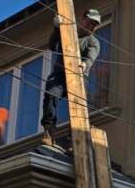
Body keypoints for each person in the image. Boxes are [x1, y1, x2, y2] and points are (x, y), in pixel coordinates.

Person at [40, 9, 102, 146]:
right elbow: (52, 46)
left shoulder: (92, 41)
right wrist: (57, 29)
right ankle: (49, 131)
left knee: (78, 107)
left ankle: (74, 138)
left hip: (78, 77)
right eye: (90, 22)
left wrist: (84, 64)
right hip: (60, 75)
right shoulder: (68, 33)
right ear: (83, 19)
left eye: (94, 24)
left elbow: (91, 56)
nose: (91, 26)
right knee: (51, 94)